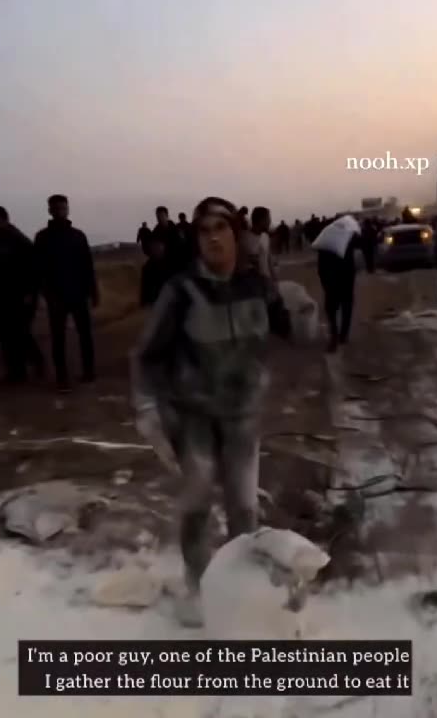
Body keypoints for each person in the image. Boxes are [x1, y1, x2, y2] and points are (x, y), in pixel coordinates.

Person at [131, 197, 291, 626]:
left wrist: (303, 312)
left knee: (243, 507)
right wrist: (148, 407)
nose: (213, 237)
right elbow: (147, 355)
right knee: (198, 500)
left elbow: (292, 328)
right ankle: (199, 585)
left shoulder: (258, 284)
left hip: (243, 415)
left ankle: (240, 587)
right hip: (194, 417)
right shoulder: (181, 291)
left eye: (221, 227)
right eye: (203, 230)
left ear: (236, 234)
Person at [34, 195, 98, 392]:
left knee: (85, 335)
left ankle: (89, 371)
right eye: (56, 208)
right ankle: (62, 377)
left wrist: (93, 292)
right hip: (56, 296)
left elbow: (87, 265)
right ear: (50, 210)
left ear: (67, 209)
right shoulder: (42, 237)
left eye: (63, 207)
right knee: (58, 338)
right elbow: (38, 269)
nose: (60, 211)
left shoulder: (78, 236)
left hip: (78, 293)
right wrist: (42, 294)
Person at [0, 206, 44, 384]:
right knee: (7, 335)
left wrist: (29, 293)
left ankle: (26, 368)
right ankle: (25, 366)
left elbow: (33, 268)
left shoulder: (18, 240)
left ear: (5, 220)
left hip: (18, 297)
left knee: (17, 334)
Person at [315, 216, 361, 353]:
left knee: (331, 309)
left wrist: (324, 281)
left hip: (331, 280)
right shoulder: (349, 238)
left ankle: (334, 336)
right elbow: (360, 246)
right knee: (346, 306)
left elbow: (320, 267)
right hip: (346, 279)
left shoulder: (325, 242)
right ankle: (343, 336)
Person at [242, 206, 275, 279]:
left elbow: (268, 258)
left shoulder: (265, 236)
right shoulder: (244, 238)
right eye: (268, 219)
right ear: (261, 220)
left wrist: (273, 277)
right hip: (252, 283)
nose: (269, 222)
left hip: (266, 280)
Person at [140, 238, 172, 307]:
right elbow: (145, 287)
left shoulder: (168, 264)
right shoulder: (148, 267)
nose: (159, 249)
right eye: (156, 248)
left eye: (160, 247)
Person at [151, 206, 183, 274]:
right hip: (161, 264)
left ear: (167, 216)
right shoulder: (156, 232)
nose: (159, 218)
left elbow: (182, 246)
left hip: (175, 262)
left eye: (161, 216)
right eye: (157, 216)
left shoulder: (175, 230)